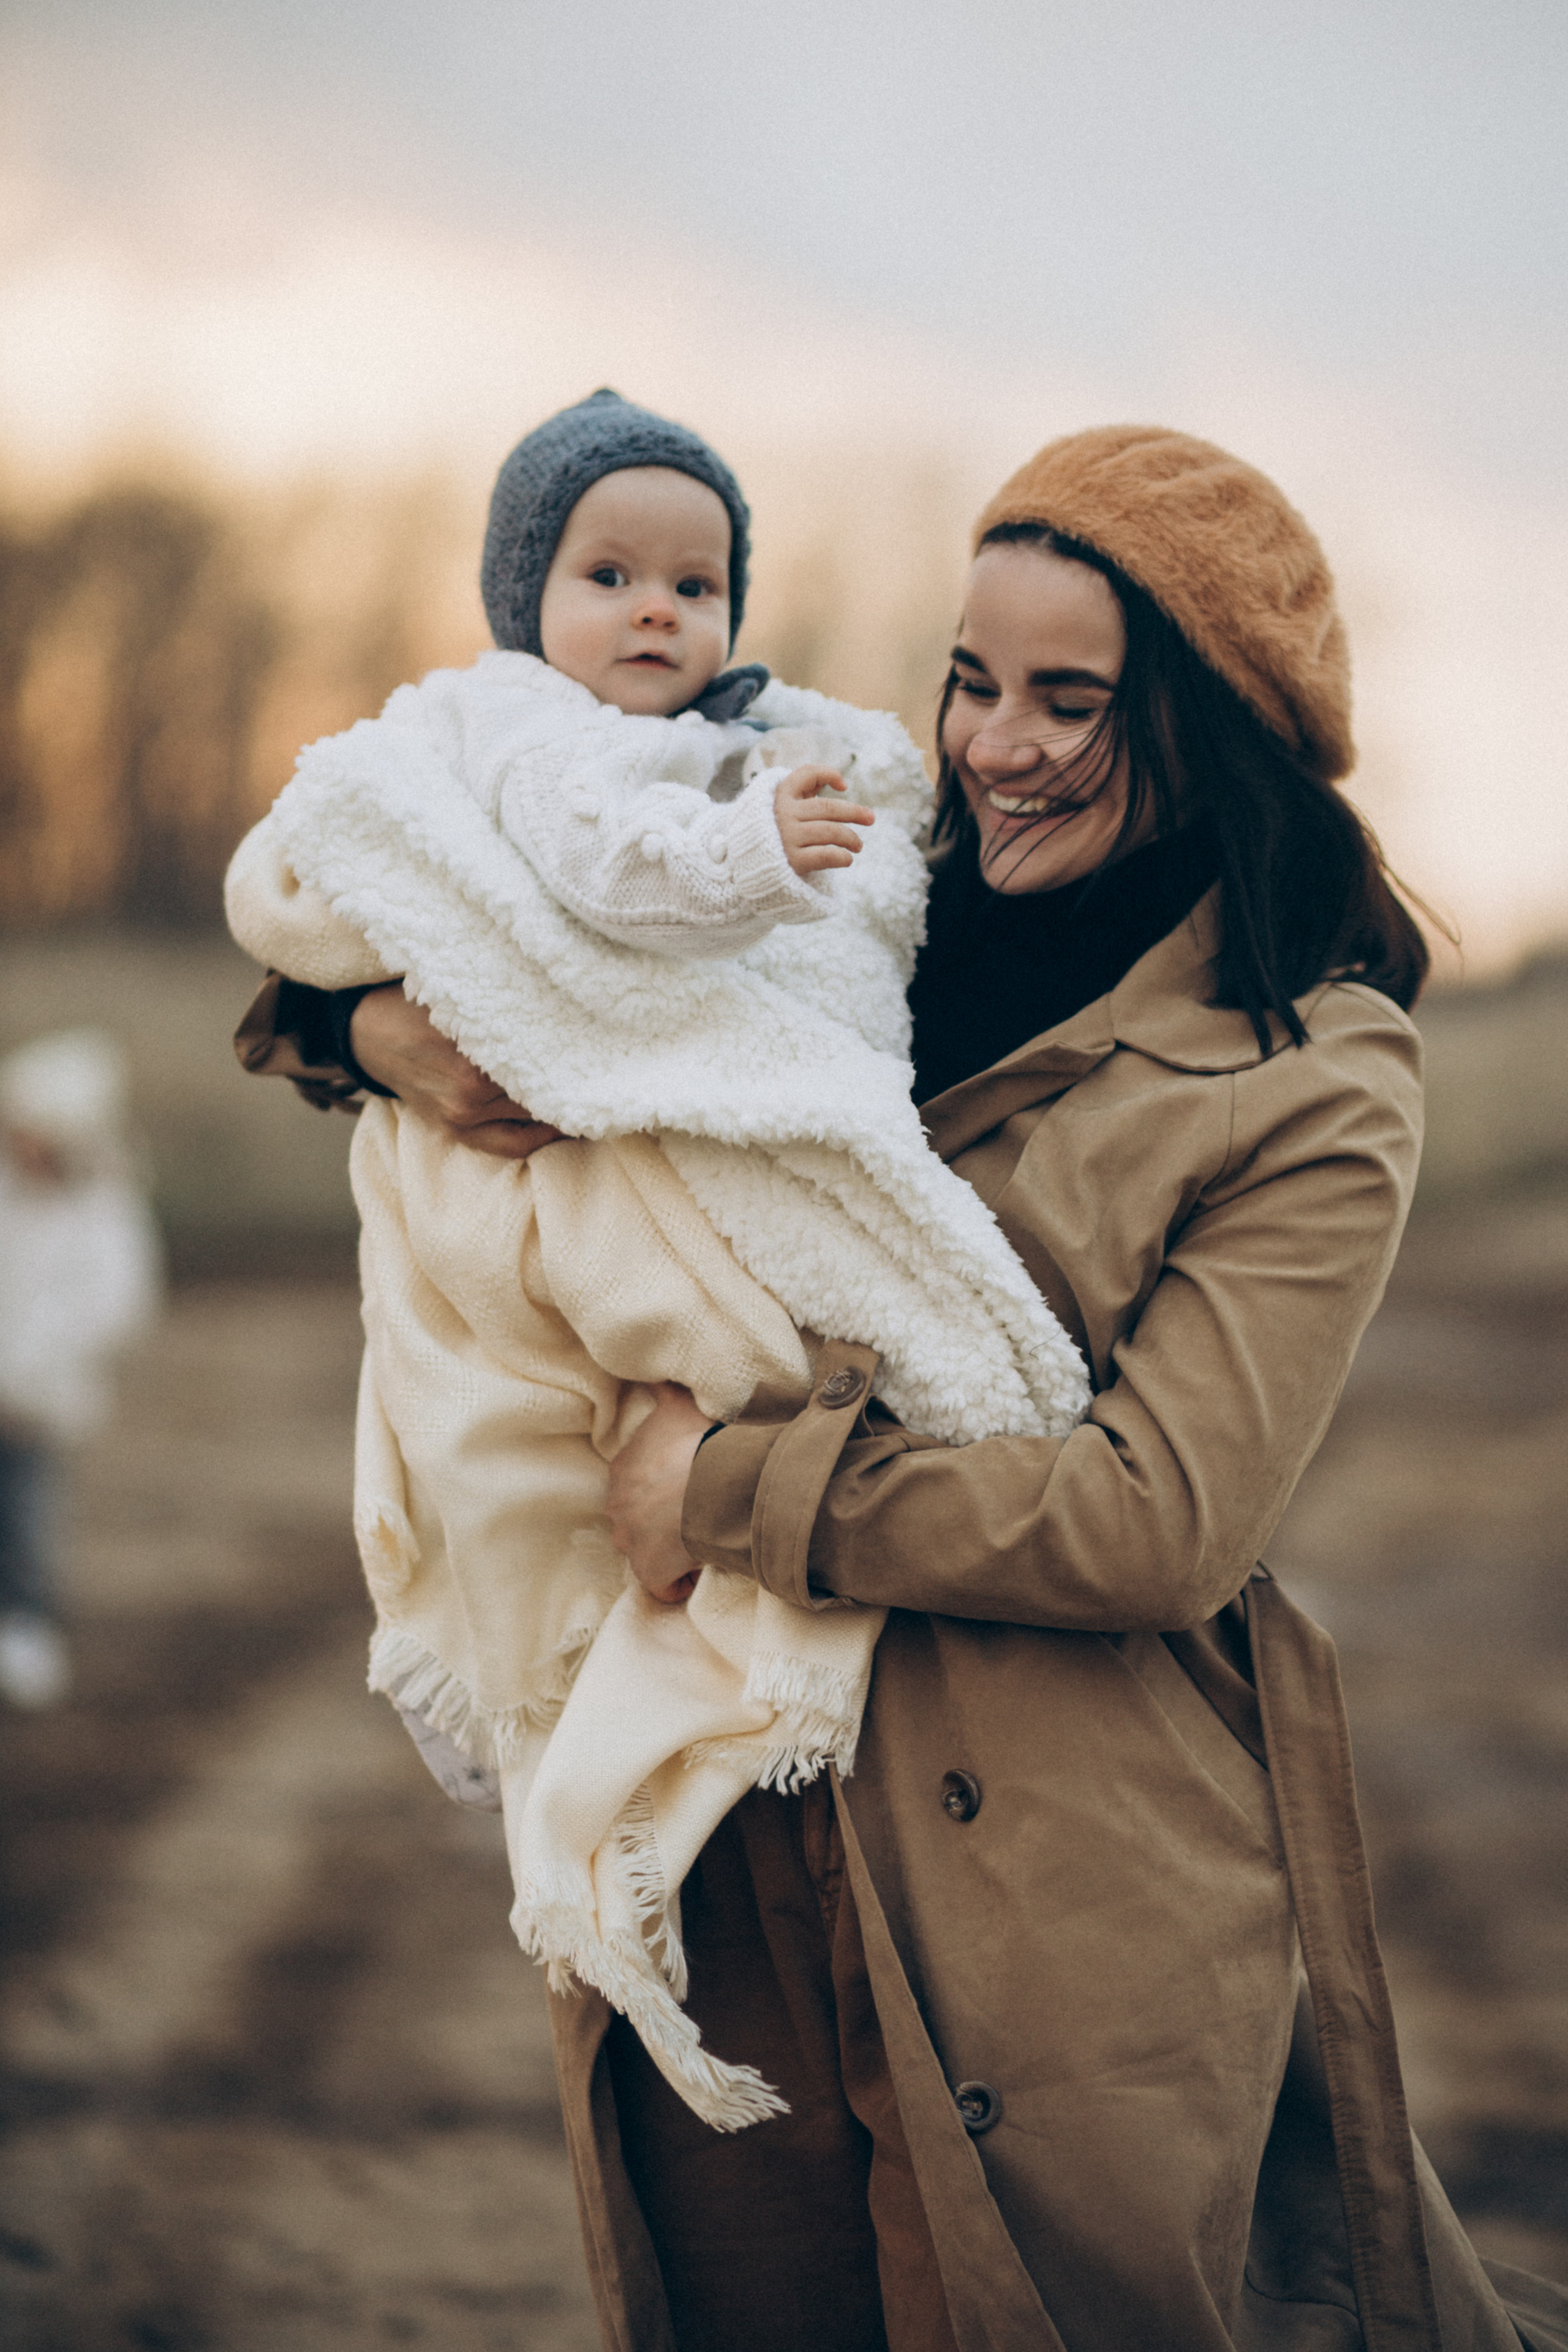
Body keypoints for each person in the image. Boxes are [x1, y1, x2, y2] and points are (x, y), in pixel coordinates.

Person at [237, 426, 1568, 2352]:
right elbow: (479, 902)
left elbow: (1154, 1517)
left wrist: (721, 1489)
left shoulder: (1313, 1073)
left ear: (1207, 726)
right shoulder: (851, 886)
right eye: (969, 679)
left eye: (1069, 699)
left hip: (1058, 1857)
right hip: (725, 1804)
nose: (994, 744)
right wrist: (382, 1035)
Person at [226, 388, 1088, 2128]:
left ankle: (666, 1729)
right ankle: (580, 1743)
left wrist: (778, 856)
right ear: (521, 597)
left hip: (796, 1405)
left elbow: (814, 957)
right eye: (607, 575)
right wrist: (376, 1027)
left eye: (695, 587)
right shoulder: (521, 740)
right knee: (536, 1460)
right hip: (569, 1194)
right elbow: (438, 889)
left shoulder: (811, 771)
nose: (655, 615)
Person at [0, 1030, 162, 1709]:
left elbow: (117, 1302)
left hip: (32, 1404)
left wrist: (28, 1373)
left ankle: (27, 1632)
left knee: (26, 1515)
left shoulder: (100, 1205)